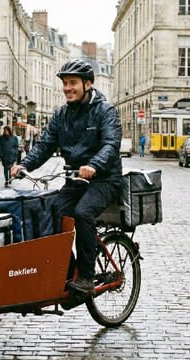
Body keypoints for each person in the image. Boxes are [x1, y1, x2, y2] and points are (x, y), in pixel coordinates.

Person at [11, 59, 122, 297]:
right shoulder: (61, 114)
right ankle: (67, 271)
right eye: (65, 83)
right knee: (51, 214)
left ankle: (86, 277)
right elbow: (45, 145)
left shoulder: (105, 111)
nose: (67, 88)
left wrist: (94, 165)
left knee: (83, 213)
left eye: (73, 83)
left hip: (104, 180)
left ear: (88, 84)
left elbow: (111, 144)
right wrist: (24, 165)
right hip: (75, 180)